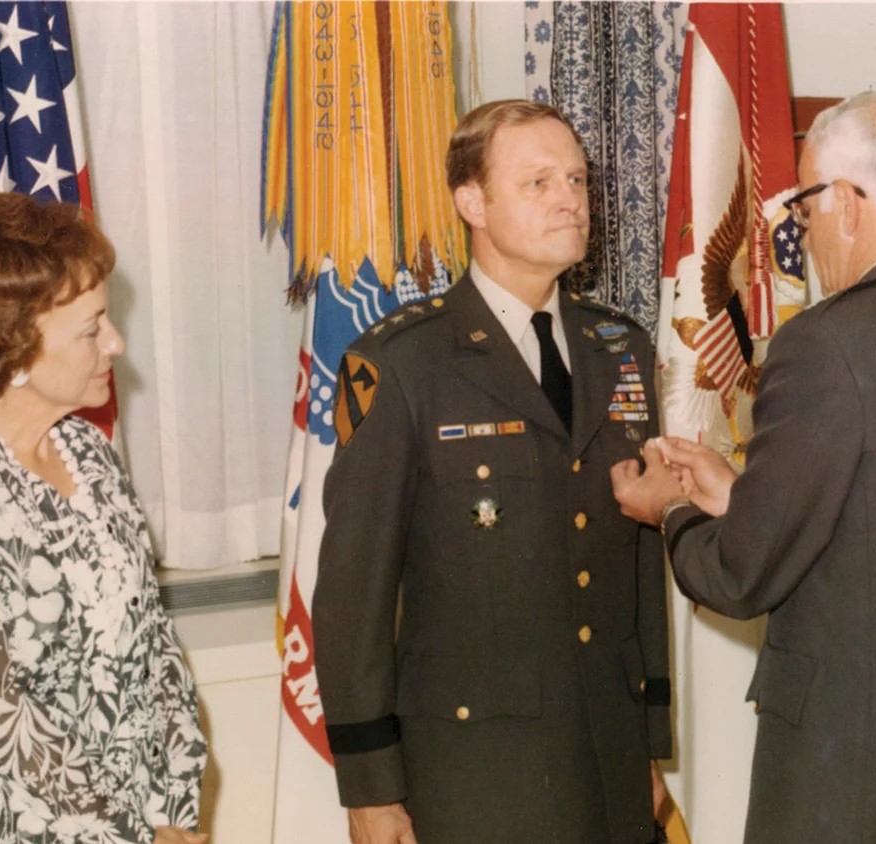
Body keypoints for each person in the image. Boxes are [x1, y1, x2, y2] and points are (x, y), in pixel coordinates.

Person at [610, 90, 876, 843]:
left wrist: (671, 510)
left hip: (845, 775)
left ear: (848, 201)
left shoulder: (825, 344)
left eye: (807, 207)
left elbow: (739, 577)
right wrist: (744, 495)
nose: (804, 234)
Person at [311, 99, 673, 844]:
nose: (570, 198)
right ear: (471, 202)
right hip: (476, 770)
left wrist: (649, 738)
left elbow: (638, 567)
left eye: (576, 178)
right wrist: (370, 787)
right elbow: (354, 592)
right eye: (538, 181)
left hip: (607, 750)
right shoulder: (403, 364)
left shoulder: (622, 348)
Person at [0, 191, 207, 844]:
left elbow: (156, 646)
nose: (116, 343)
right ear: (18, 350)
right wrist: (136, 832)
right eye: (91, 330)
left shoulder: (88, 453)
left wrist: (178, 802)